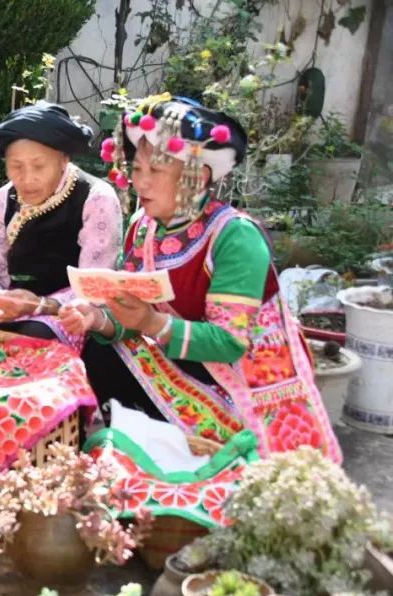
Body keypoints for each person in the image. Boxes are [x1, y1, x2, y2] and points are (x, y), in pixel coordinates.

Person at [58, 95, 340, 460]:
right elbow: (131, 315)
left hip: (240, 380)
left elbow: (230, 342)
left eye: (155, 171)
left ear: (198, 177)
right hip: (181, 358)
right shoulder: (142, 227)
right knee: (99, 348)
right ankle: (150, 450)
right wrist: (98, 318)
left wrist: (152, 322)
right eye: (137, 170)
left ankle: (189, 454)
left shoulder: (235, 236)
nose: (141, 183)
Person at [0, 101, 122, 343]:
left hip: (70, 314)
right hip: (11, 309)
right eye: (16, 166)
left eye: (38, 166)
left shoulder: (97, 199)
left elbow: (94, 288)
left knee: (36, 335)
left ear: (63, 159)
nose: (27, 179)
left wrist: (41, 305)